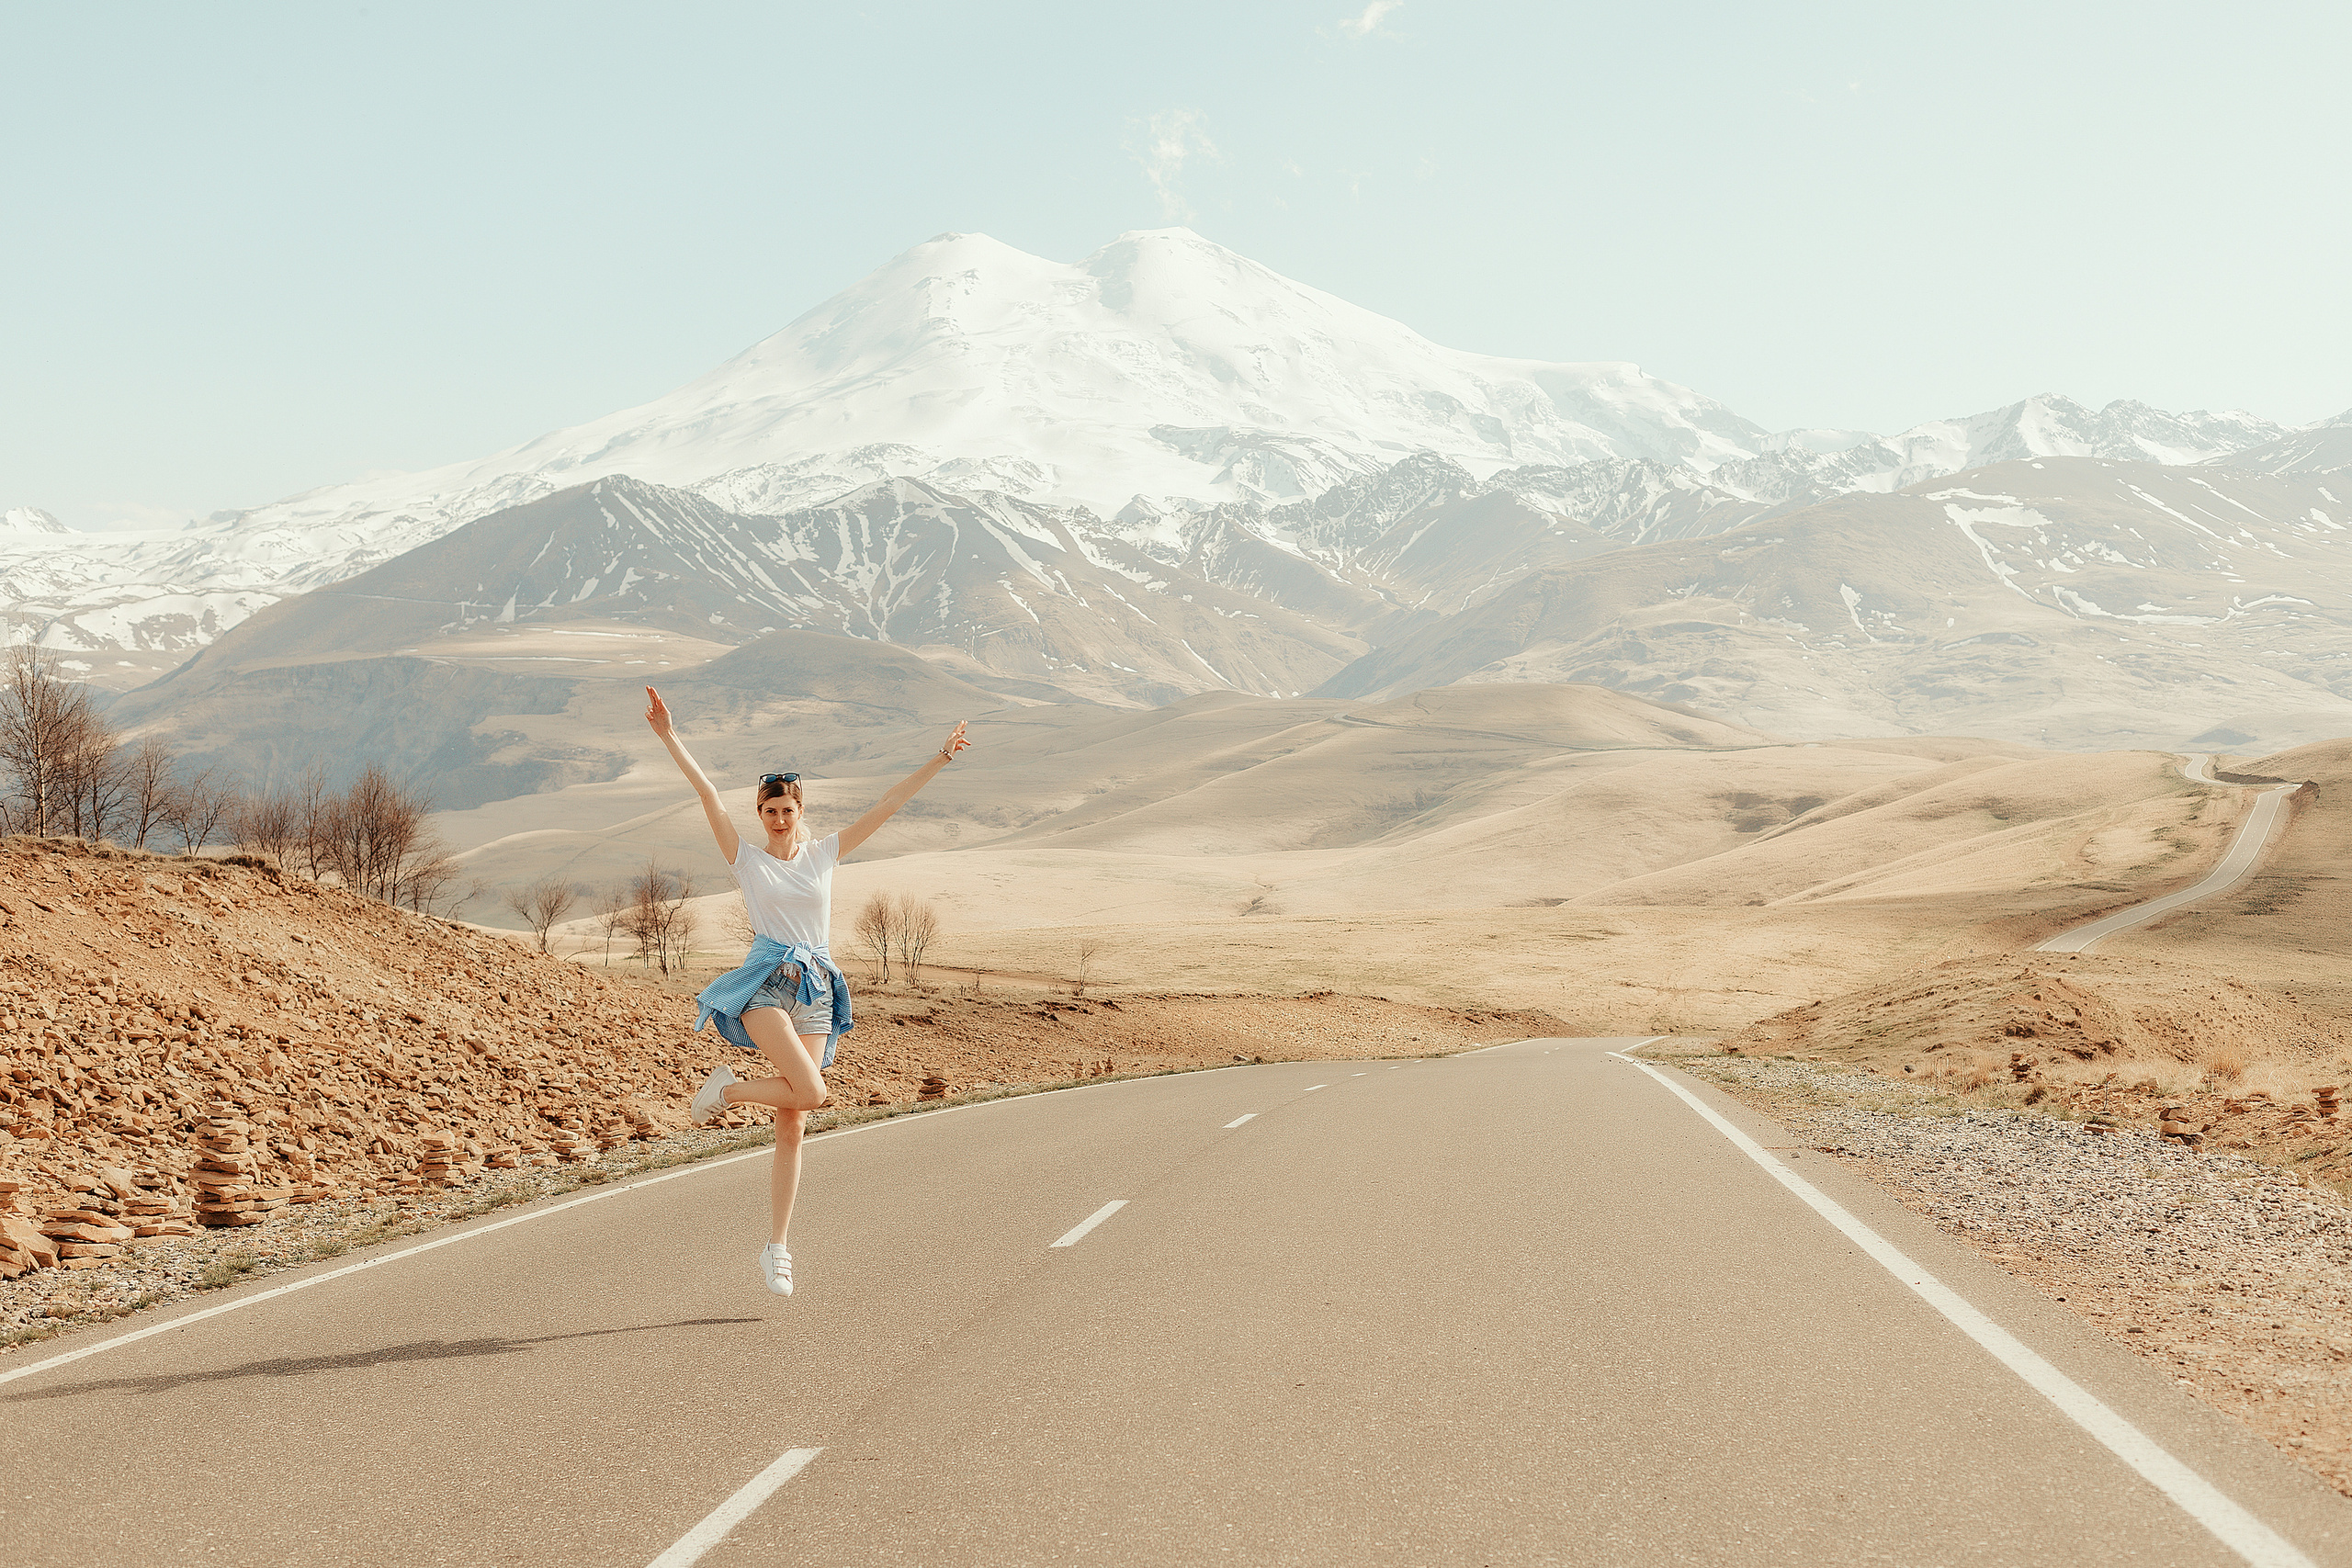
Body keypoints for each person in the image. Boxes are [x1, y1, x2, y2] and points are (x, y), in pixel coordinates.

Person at [643, 685, 969, 1296]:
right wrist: (667, 734)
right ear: (760, 815)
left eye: (786, 809)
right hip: (769, 984)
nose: (778, 819)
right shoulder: (748, 860)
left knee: (793, 1122)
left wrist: (941, 757)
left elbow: (889, 803)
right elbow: (707, 794)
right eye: (769, 810)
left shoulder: (824, 855)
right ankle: (728, 1090)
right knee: (813, 1091)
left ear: (799, 810)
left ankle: (777, 1247)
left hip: (817, 988)